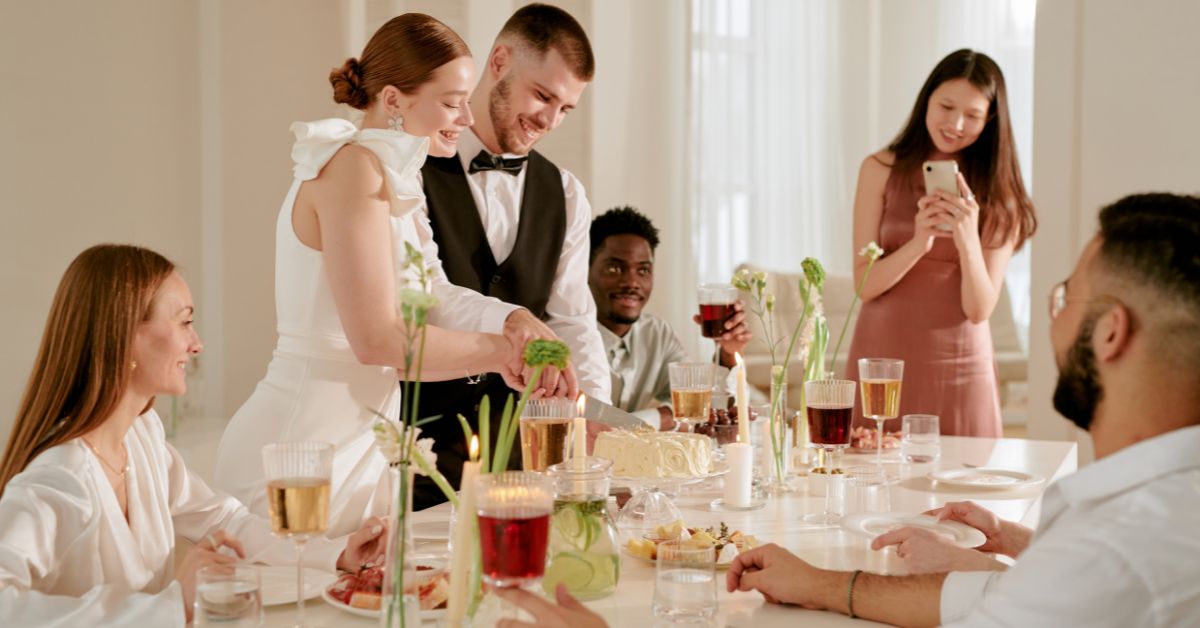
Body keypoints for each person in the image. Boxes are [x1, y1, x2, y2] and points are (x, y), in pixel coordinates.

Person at [723, 193, 1200, 626]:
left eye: (1063, 298)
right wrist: (820, 584)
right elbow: (1023, 591)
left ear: (1109, 333)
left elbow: (1058, 585)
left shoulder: (1111, 550)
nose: (1054, 319)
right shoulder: (1157, 513)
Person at [214, 13, 569, 537]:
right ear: (395, 100)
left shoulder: (391, 176)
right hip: (301, 451)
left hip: (361, 443)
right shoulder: (352, 169)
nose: (467, 119)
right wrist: (502, 354)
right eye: (451, 102)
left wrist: (514, 322)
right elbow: (378, 340)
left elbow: (433, 292)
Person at [0, 245, 385, 627]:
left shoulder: (141, 437)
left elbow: (225, 520)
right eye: (184, 322)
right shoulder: (60, 478)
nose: (196, 343)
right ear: (126, 334)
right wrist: (170, 605)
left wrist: (337, 554)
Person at [413, 3, 610, 508]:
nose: (549, 120)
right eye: (542, 95)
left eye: (566, 108)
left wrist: (594, 419)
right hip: (417, 447)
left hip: (521, 451)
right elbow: (420, 299)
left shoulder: (565, 193)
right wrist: (512, 322)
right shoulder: (410, 166)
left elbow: (572, 322)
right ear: (499, 62)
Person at [845, 49, 1037, 437]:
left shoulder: (1002, 196)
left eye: (973, 115)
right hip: (883, 363)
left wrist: (967, 240)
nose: (956, 124)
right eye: (946, 106)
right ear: (926, 100)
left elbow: (979, 309)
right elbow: (865, 286)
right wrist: (919, 242)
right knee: (872, 483)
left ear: (991, 120)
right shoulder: (879, 170)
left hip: (961, 368)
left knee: (963, 488)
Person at [588, 206, 753, 430]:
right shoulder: (563, 336)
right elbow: (582, 426)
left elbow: (703, 405)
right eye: (615, 269)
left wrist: (728, 353)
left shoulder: (657, 334)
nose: (632, 282)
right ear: (584, 270)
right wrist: (663, 417)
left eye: (643, 270)